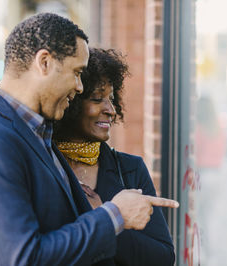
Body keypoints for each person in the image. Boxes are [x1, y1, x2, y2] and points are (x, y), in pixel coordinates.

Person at [0, 12, 179, 266]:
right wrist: (115, 215)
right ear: (44, 62)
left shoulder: (36, 134)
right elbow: (26, 258)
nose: (80, 86)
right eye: (77, 72)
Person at [53, 47, 175, 265]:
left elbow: (163, 258)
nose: (110, 109)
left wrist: (108, 216)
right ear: (71, 99)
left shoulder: (130, 169)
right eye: (98, 98)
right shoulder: (46, 164)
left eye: (111, 98)